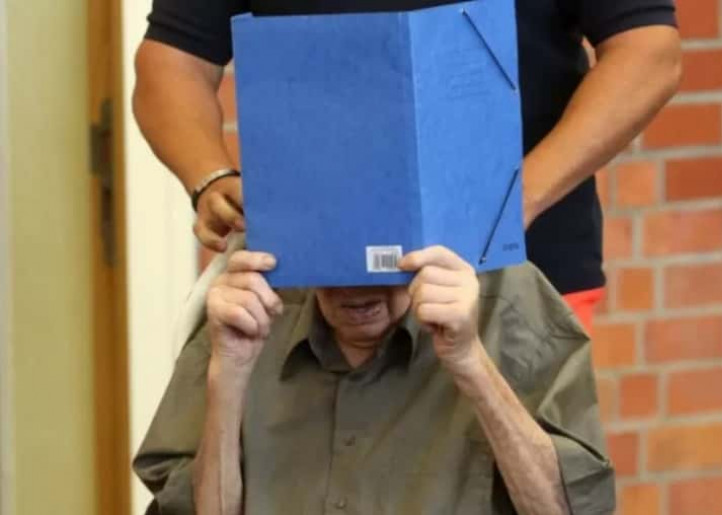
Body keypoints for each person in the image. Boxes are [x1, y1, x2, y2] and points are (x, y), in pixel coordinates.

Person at [133, 0, 681, 332]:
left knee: (517, 476)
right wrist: (209, 176)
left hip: (517, 276)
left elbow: (648, 51)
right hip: (307, 286)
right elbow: (172, 60)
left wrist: (515, 200)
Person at [134, 245, 615, 513]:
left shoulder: (508, 301)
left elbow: (570, 510)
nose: (353, 287)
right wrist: (230, 374)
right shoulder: (254, 298)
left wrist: (471, 363)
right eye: (332, 261)